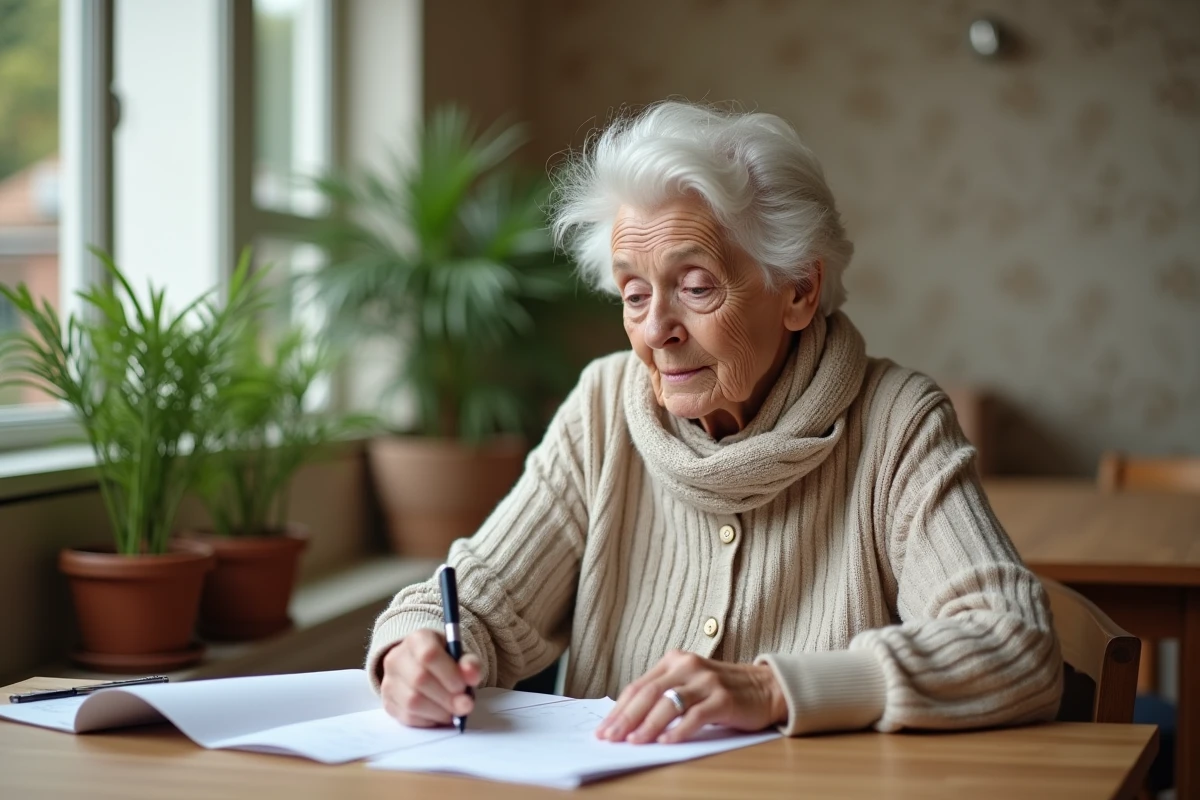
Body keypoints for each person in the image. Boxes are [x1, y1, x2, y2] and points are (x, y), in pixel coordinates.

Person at [368, 101, 1062, 743]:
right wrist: (417, 647)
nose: (656, 331)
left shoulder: (897, 422)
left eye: (696, 287)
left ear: (798, 290)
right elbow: (480, 603)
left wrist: (773, 688)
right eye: (634, 295)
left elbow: (1014, 643)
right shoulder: (605, 407)